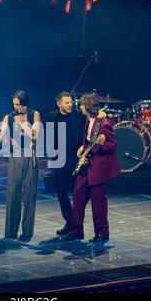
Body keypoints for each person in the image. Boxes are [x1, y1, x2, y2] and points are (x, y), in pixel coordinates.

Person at [62, 93, 120, 242]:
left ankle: (102, 232)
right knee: (78, 194)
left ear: (87, 107)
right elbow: (89, 140)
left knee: (98, 201)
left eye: (81, 105)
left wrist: (101, 145)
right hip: (87, 164)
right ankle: (76, 231)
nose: (79, 107)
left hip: (98, 168)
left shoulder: (104, 124)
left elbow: (112, 145)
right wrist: (84, 147)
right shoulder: (89, 121)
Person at [0, 90, 41, 240]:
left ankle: (27, 230)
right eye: (14, 104)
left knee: (30, 192)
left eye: (18, 104)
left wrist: (21, 127)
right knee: (13, 192)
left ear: (25, 103)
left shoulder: (34, 114)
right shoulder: (8, 118)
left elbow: (35, 136)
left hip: (30, 154)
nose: (16, 107)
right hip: (15, 155)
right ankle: (10, 231)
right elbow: (2, 136)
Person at [46, 92, 86, 236]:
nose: (70, 104)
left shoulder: (78, 115)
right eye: (67, 102)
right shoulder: (51, 116)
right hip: (60, 160)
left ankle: (77, 227)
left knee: (78, 194)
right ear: (59, 104)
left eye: (71, 102)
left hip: (76, 159)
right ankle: (70, 222)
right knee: (61, 193)